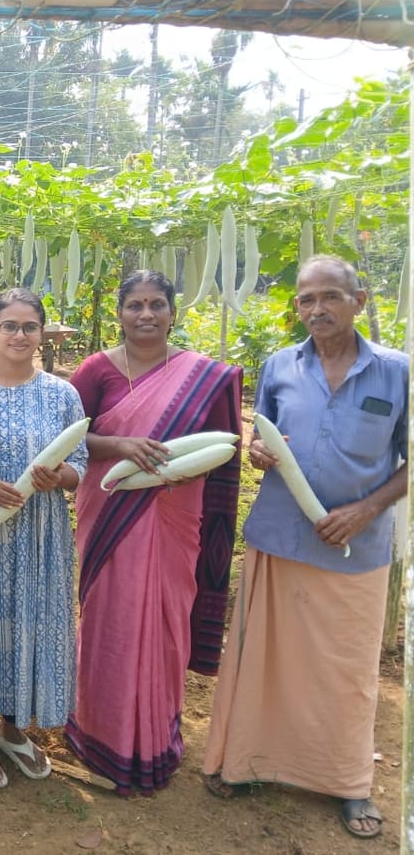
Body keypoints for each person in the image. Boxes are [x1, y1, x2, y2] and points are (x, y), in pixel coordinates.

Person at [202, 256, 407, 841]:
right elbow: (262, 434)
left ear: (359, 301)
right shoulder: (279, 366)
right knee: (265, 661)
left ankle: (348, 782)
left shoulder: (397, 372)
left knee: (347, 673)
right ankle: (246, 762)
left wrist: (367, 508)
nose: (316, 309)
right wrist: (259, 451)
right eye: (305, 299)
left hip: (354, 545)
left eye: (330, 297)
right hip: (280, 535)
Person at [65, 269, 241, 795]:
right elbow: (69, 439)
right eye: (135, 305)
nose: (146, 315)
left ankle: (153, 740)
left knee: (163, 627)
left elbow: (226, 452)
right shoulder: (97, 371)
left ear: (172, 311)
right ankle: (98, 732)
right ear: (118, 313)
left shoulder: (205, 376)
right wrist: (122, 447)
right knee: (109, 622)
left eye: (156, 304)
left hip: (175, 517)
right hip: (111, 512)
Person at [0, 289, 87, 789]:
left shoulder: (62, 394)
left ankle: (13, 727)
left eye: (29, 327)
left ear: (42, 334)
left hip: (39, 532)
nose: (19, 335)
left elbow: (79, 463)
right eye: (8, 326)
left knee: (29, 621)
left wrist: (62, 479)